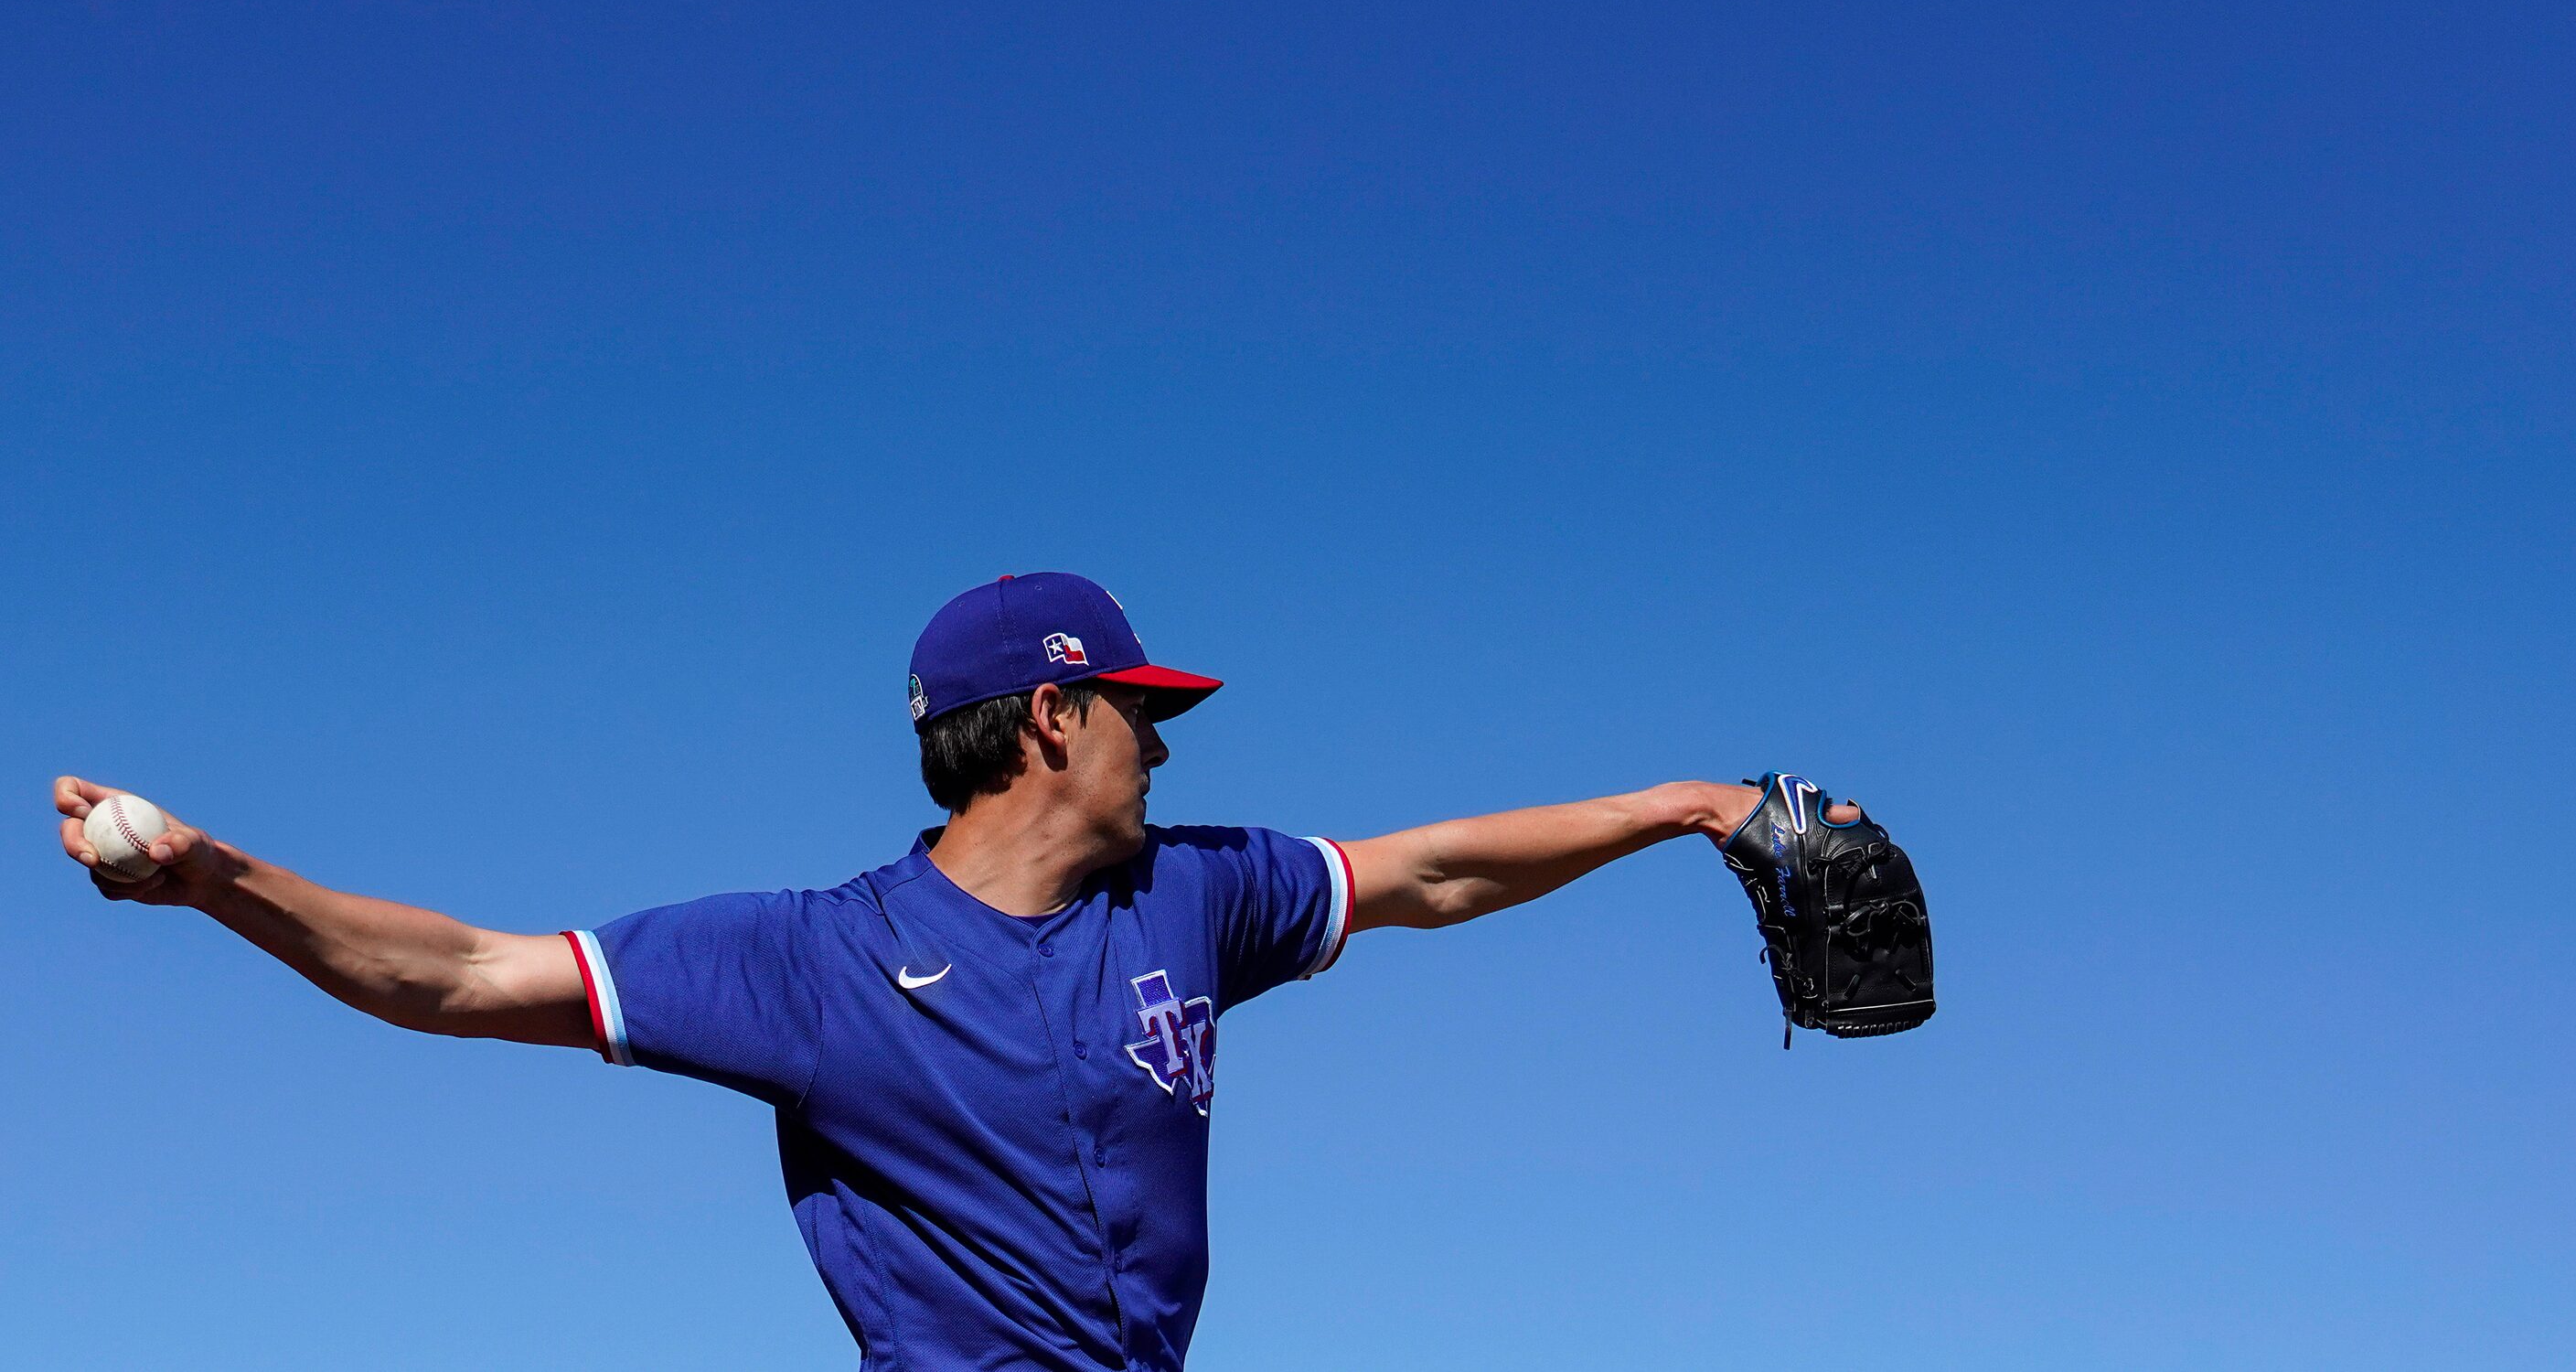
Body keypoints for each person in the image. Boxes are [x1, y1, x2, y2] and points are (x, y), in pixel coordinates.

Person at [54, 571, 1858, 1369]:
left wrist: (1686, 805)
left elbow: (1438, 871)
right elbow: (451, 976)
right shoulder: (811, 961)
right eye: (1141, 716)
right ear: (1053, 718)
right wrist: (216, 877)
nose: (1166, 750)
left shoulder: (1194, 902)